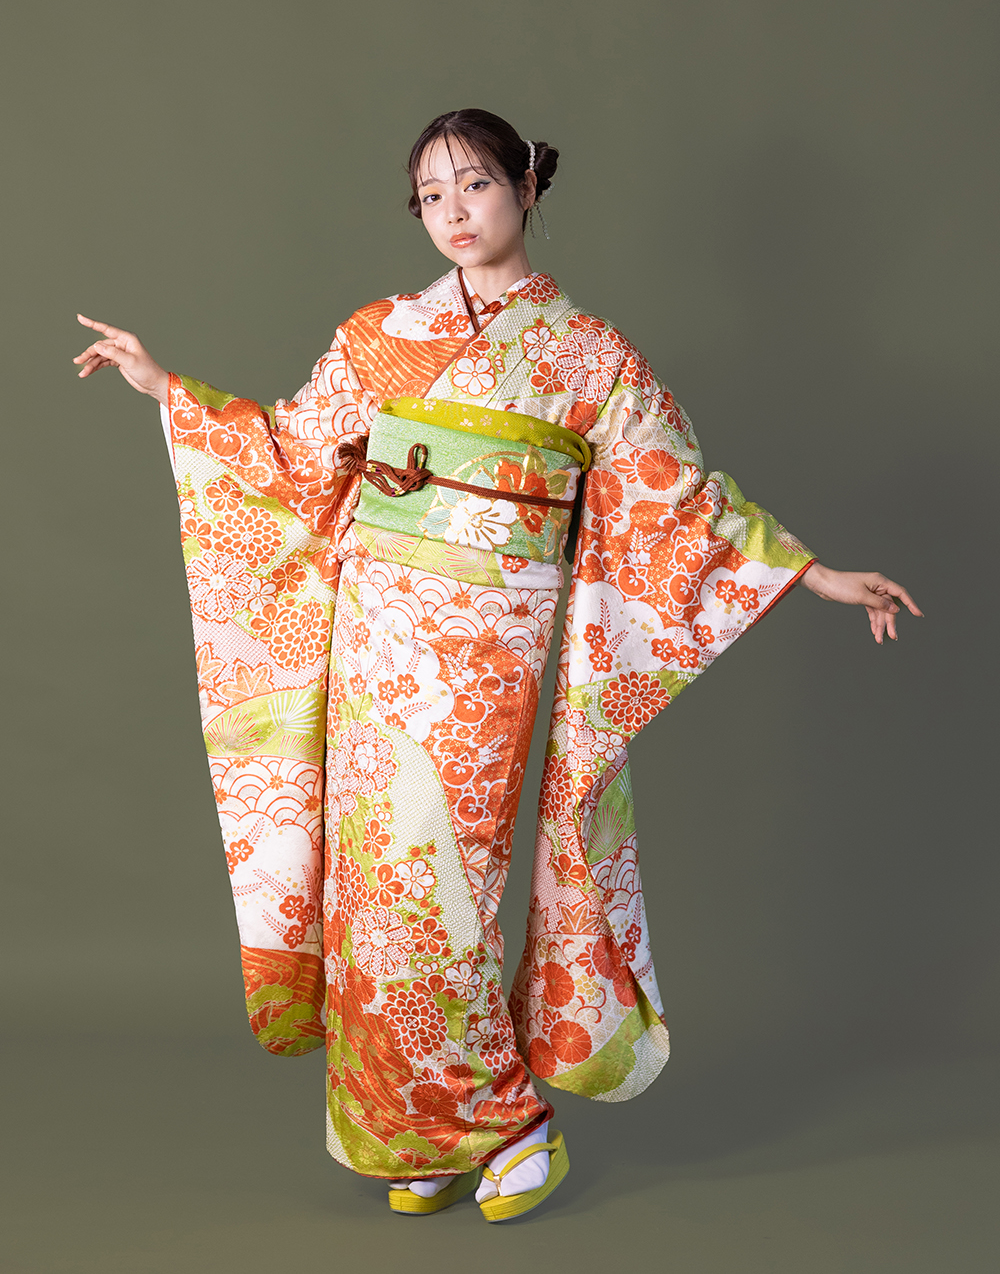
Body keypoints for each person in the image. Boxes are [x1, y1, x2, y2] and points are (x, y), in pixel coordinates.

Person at [73, 108, 921, 1221]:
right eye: (431, 195)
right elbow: (289, 452)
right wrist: (163, 386)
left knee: (446, 878)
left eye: (473, 183)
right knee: (374, 884)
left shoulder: (590, 355)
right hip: (376, 621)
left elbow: (679, 499)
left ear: (525, 184)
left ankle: (509, 1120)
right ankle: (419, 1127)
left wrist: (811, 573)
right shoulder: (382, 333)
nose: (453, 212)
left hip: (492, 636)